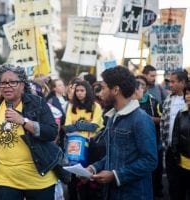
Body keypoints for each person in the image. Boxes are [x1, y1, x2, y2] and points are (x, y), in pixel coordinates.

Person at [0, 64, 59, 200]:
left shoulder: (37, 103)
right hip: (4, 179)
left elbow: (51, 133)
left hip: (38, 178)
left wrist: (24, 121)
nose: (7, 86)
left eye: (12, 82)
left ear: (22, 84)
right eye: (3, 82)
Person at [85, 66, 158, 199]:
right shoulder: (112, 117)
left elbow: (150, 160)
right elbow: (113, 154)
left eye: (104, 87)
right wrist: (93, 169)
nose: (100, 93)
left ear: (115, 90)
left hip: (133, 194)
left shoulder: (141, 119)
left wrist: (115, 175)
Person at [64, 80, 104, 200]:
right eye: (77, 90)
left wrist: (76, 125)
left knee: (91, 179)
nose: (79, 93)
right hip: (75, 146)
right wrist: (84, 125)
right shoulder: (71, 106)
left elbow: (94, 127)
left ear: (87, 91)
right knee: (75, 179)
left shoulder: (95, 106)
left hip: (92, 146)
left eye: (82, 90)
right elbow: (67, 128)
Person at [160, 70, 188, 200]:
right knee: (173, 185)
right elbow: (163, 123)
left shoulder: (187, 100)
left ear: (182, 82)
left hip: (186, 153)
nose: (170, 85)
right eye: (169, 81)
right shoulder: (168, 100)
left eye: (173, 81)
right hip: (170, 150)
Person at [134, 75, 163, 198]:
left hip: (153, 142)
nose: (140, 87)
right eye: (137, 84)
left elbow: (162, 119)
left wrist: (147, 119)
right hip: (136, 145)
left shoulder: (153, 101)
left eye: (142, 85)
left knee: (155, 171)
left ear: (146, 87)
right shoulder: (129, 102)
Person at [171, 82, 190, 200]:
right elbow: (175, 136)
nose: (188, 96)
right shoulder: (180, 114)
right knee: (182, 192)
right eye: (187, 93)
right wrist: (176, 155)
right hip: (183, 162)